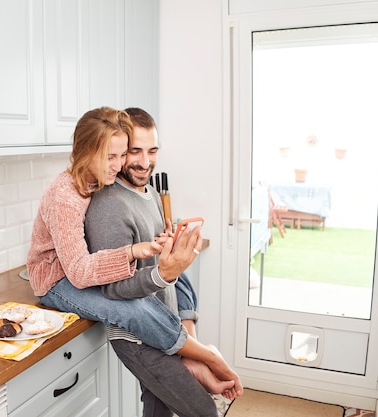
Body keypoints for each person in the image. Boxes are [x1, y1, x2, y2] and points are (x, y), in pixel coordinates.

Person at [26, 106, 234, 390]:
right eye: (110, 157)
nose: (118, 164)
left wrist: (160, 249)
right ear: (86, 152)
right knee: (132, 308)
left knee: (177, 273)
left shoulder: (98, 177)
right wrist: (131, 252)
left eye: (122, 155)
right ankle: (202, 355)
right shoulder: (65, 195)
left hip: (82, 264)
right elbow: (78, 272)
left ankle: (190, 342)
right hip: (57, 280)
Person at [85, 107, 242, 416]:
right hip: (138, 336)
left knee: (159, 410)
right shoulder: (108, 205)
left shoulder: (150, 193)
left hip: (165, 324)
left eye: (152, 151)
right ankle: (202, 356)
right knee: (203, 412)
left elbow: (167, 271)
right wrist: (165, 272)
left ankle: (197, 354)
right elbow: (113, 289)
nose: (145, 163)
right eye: (135, 152)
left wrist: (186, 335)